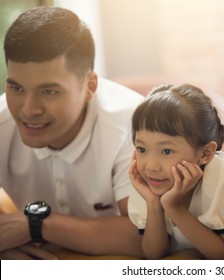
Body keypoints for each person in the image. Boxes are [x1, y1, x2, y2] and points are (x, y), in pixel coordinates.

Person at [0, 6, 144, 259]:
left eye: (48, 91)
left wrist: (36, 225)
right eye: (16, 88)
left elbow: (145, 237)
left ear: (89, 86)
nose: (28, 109)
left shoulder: (136, 126)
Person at [127, 83, 224, 260]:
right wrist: (154, 204)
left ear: (205, 153)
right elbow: (153, 255)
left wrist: (173, 207)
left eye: (166, 151)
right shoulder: (150, 182)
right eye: (141, 149)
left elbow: (221, 253)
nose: (151, 166)